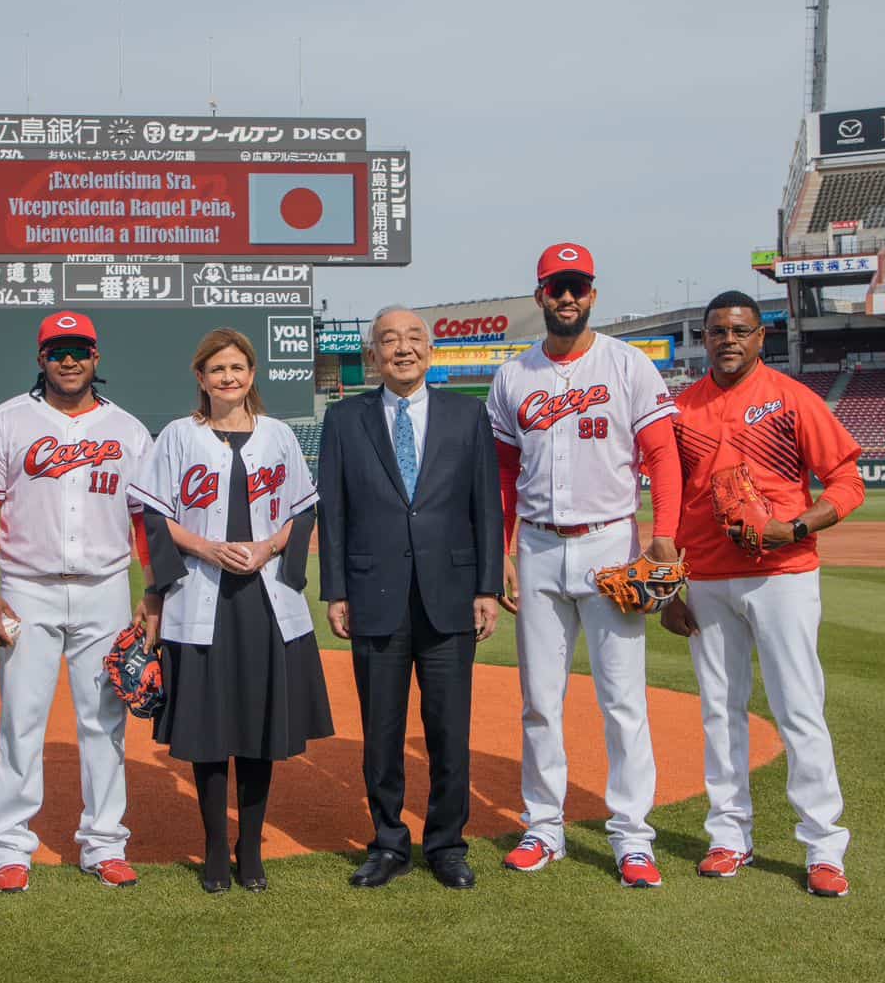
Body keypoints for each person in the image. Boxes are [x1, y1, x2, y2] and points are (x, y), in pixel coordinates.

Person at [487, 243, 683, 889]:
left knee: (622, 700)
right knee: (540, 700)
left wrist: (664, 538)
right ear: (539, 294)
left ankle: (632, 836)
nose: (566, 297)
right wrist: (502, 551)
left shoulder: (629, 365)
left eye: (577, 286)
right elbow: (504, 476)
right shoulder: (513, 376)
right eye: (555, 286)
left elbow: (663, 457)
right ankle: (544, 826)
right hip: (539, 547)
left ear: (592, 293)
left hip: (610, 544)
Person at [660, 290, 864, 898]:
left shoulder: (791, 398)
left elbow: (850, 481)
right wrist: (672, 587)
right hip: (707, 579)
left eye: (740, 330)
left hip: (784, 572)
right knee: (720, 711)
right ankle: (729, 836)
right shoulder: (681, 409)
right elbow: (670, 503)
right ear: (703, 338)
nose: (728, 340)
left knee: (799, 708)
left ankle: (824, 846)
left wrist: (796, 526)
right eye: (717, 330)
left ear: (760, 337)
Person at [128, 328, 331, 894]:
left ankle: (252, 845)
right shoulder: (177, 436)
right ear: (200, 378)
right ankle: (217, 845)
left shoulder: (280, 436)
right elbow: (154, 512)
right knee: (210, 727)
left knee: (261, 726)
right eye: (217, 369)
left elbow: (302, 509)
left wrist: (268, 547)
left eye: (238, 368)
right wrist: (205, 547)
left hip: (266, 598)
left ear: (252, 373)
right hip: (201, 593)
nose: (228, 378)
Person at [0, 311, 156, 894]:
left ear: (96, 358)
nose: (67, 361)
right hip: (26, 587)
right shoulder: (5, 423)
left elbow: (144, 519)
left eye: (78, 350)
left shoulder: (128, 430)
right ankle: (10, 846)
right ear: (40, 358)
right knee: (21, 721)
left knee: (104, 721)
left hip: (103, 588)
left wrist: (152, 592)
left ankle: (104, 843)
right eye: (56, 351)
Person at [317, 306, 504, 891]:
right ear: (372, 354)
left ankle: (447, 843)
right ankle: (388, 843)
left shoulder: (467, 415)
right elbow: (334, 511)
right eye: (389, 340)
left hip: (450, 593)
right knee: (382, 731)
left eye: (414, 338)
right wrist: (336, 590)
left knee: (449, 729)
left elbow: (485, 508)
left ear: (430, 349)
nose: (403, 349)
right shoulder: (346, 420)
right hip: (374, 594)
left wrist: (487, 587)